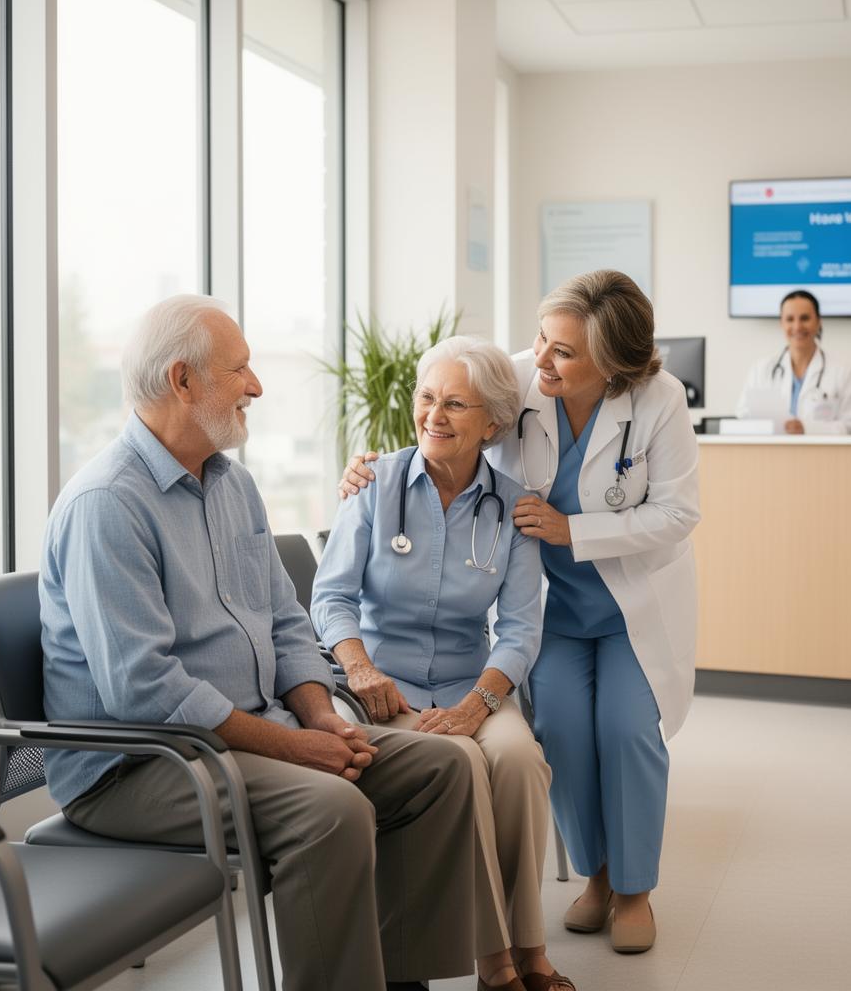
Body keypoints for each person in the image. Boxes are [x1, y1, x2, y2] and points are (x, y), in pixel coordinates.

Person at [39, 294, 480, 991]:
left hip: (247, 734)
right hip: (137, 767)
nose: (257, 386)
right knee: (331, 809)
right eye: (240, 370)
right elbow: (144, 690)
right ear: (183, 382)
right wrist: (295, 747)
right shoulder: (107, 506)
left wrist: (321, 718)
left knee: (441, 769)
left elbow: (284, 620)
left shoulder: (232, 485)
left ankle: (403, 982)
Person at [341, 270, 700, 954]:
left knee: (627, 733)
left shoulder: (658, 399)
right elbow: (446, 419)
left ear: (613, 361)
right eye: (542, 338)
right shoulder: (521, 377)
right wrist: (370, 470)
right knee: (560, 730)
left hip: (631, 604)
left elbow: (680, 512)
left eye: (563, 351)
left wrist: (574, 530)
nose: (541, 357)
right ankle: (594, 877)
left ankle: (635, 890)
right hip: (549, 605)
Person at [311, 336, 572, 991]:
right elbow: (331, 597)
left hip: (470, 683)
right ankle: (496, 961)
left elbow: (518, 628)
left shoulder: (513, 507)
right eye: (427, 398)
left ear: (492, 422)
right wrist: (361, 668)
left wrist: (476, 705)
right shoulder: (373, 487)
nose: (435, 415)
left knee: (515, 761)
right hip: (382, 689)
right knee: (458, 767)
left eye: (456, 403)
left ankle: (529, 947)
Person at [736, 289, 851, 435]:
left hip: (821, 455)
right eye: (790, 319)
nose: (797, 326)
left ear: (818, 322)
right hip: (771, 454)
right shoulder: (761, 370)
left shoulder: (842, 372)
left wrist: (808, 429)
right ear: (781, 323)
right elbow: (743, 416)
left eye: (805, 318)